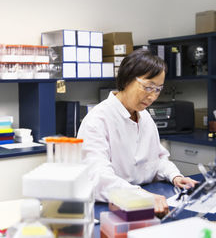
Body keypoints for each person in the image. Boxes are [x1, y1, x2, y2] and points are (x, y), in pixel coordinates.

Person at [77, 49, 197, 217]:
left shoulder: (145, 117)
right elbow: (98, 178)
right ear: (126, 80)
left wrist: (175, 176)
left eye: (158, 89)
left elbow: (158, 158)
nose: (152, 96)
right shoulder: (97, 120)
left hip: (147, 202)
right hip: (109, 209)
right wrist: (140, 196)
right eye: (148, 87)